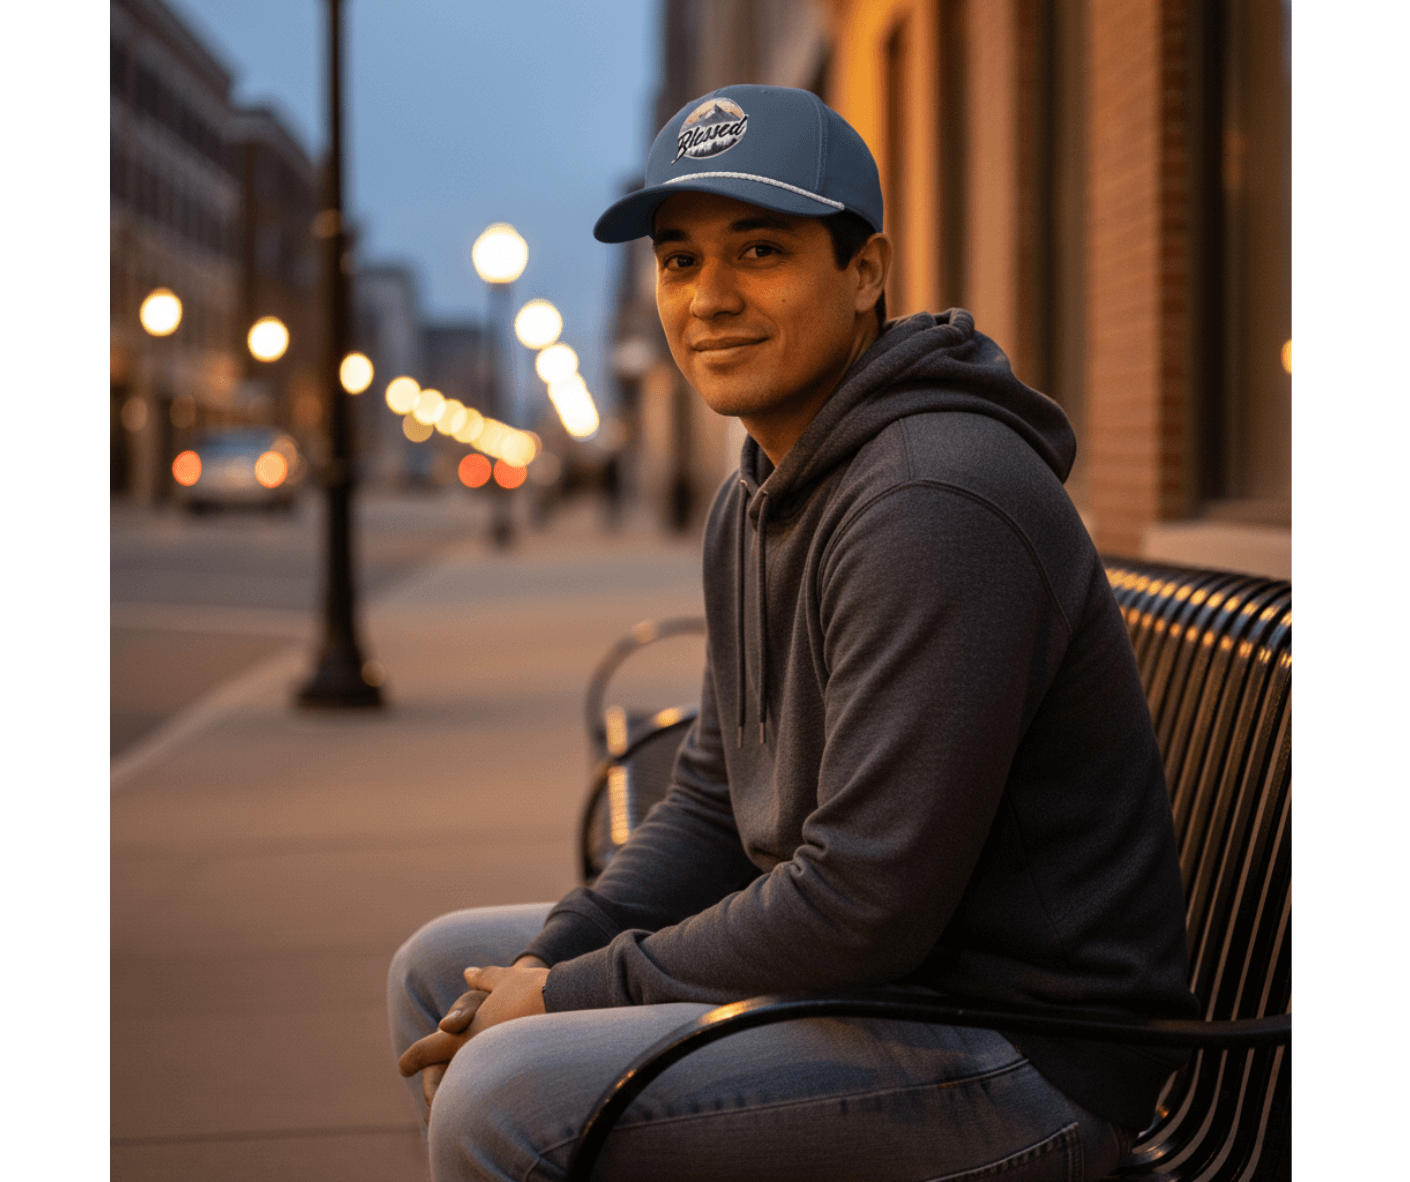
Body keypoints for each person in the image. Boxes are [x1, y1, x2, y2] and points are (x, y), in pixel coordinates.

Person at [389, 84, 1197, 1182]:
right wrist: (553, 954)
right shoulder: (758, 496)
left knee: (505, 1098)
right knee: (444, 969)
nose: (710, 297)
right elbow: (713, 801)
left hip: (1023, 1052)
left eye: (760, 250)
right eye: (680, 260)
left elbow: (863, 904)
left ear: (865, 272)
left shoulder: (932, 499)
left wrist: (568, 994)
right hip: (886, 993)